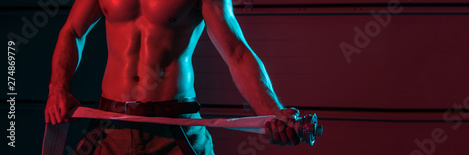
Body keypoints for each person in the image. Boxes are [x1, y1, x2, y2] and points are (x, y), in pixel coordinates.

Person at [44, 0, 300, 154]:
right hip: (110, 128)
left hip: (175, 133)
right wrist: (58, 87)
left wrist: (271, 111)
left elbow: (236, 52)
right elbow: (72, 31)